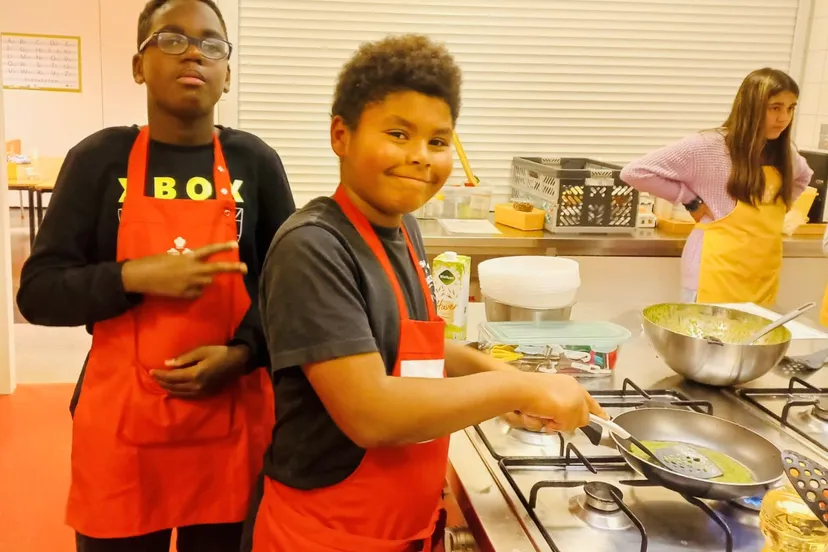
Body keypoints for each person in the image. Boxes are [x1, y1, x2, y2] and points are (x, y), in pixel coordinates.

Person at [250, 34, 606, 552]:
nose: (420, 157)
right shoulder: (313, 247)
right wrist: (518, 391)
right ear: (340, 135)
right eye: (398, 133)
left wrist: (511, 374)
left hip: (406, 524)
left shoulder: (404, 230)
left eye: (438, 142)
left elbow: (412, 348)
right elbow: (372, 412)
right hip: (326, 533)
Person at [16, 0, 295, 550]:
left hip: (230, 422)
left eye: (211, 44)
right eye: (171, 39)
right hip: (122, 432)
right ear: (139, 65)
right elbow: (39, 292)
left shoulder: (255, 163)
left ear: (227, 74)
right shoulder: (99, 159)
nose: (193, 52)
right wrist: (132, 276)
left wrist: (242, 353)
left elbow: (287, 291)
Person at [621, 68, 814, 305]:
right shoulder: (708, 146)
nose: (784, 118)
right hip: (712, 273)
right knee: (707, 341)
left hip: (761, 273)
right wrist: (689, 199)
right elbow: (635, 172)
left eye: (791, 108)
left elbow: (803, 177)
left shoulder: (783, 152)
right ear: (752, 107)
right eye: (775, 107)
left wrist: (777, 208)